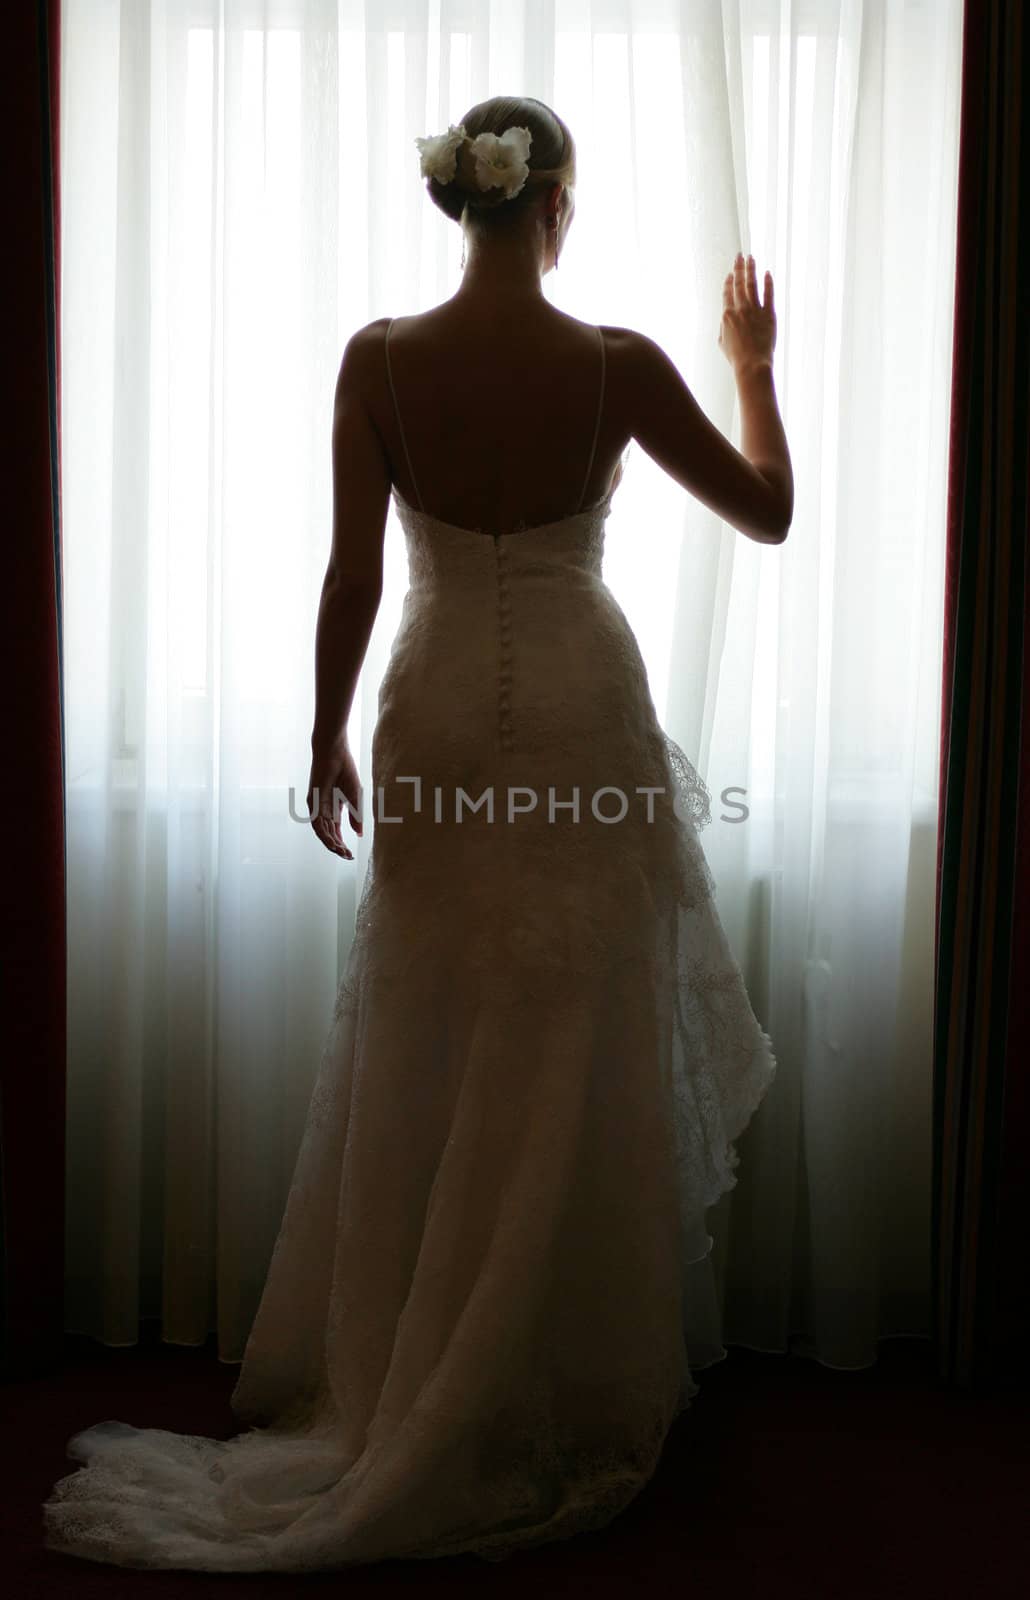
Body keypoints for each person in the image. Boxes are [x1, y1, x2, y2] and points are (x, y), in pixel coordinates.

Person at [42, 95, 791, 1572]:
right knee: (569, 1037)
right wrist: (753, 372)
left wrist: (322, 736)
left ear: (459, 202)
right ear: (555, 202)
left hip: (434, 704)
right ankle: (536, 1367)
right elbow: (764, 512)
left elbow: (349, 571)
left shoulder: (379, 360)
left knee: (433, 1031)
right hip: (578, 700)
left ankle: (414, 1368)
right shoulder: (618, 364)